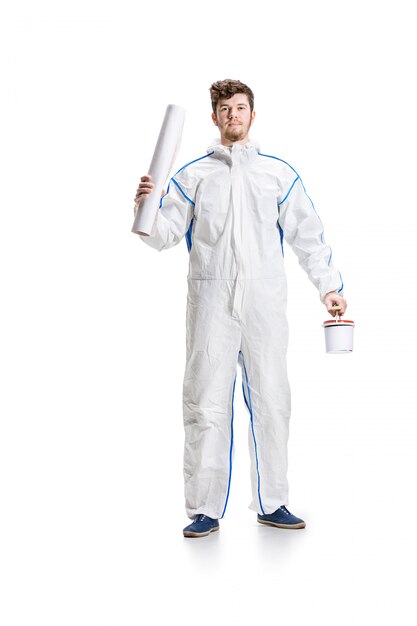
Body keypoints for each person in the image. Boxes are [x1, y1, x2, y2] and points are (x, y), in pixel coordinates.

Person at [134, 79, 347, 538]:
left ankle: (274, 501)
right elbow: (164, 235)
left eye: (241, 107)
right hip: (210, 303)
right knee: (204, 402)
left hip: (264, 305)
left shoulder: (276, 174)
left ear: (253, 115)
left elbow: (307, 234)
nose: (233, 114)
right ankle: (204, 509)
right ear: (214, 118)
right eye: (225, 108)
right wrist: (146, 207)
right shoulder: (192, 176)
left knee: (273, 401)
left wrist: (329, 288)